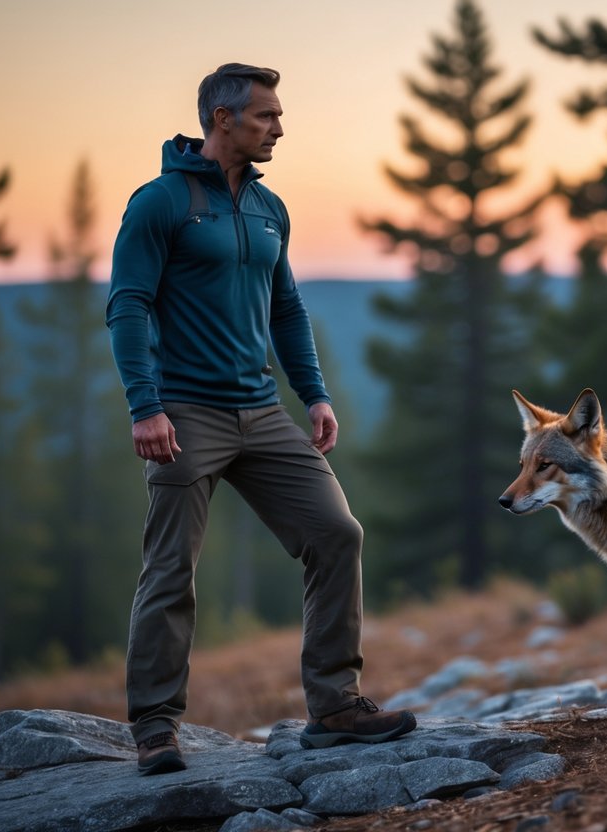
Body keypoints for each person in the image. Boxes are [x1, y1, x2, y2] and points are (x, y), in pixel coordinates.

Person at [106, 63, 416, 775]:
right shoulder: (160, 202)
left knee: (336, 533)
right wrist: (145, 406)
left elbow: (285, 309)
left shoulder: (268, 209)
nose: (278, 127)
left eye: (277, 116)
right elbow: (127, 304)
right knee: (170, 569)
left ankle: (335, 706)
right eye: (265, 116)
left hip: (262, 411)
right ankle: (155, 726)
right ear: (222, 119)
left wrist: (313, 395)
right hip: (185, 414)